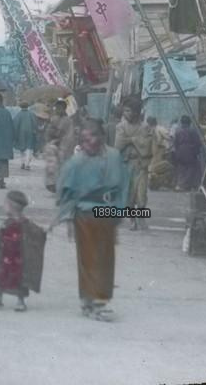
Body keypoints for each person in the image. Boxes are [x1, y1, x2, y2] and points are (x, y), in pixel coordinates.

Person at [51, 117, 128, 321]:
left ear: (102, 137)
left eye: (92, 137)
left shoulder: (114, 156)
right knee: (89, 258)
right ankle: (90, 300)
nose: (88, 143)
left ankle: (99, 300)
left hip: (108, 211)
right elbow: (65, 192)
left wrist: (120, 212)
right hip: (85, 212)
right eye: (84, 140)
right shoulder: (76, 162)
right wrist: (67, 217)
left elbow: (122, 187)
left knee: (106, 258)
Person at [0, 190, 46, 312]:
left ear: (11, 206)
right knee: (13, 277)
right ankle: (16, 301)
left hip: (11, 257)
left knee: (5, 275)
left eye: (5, 204)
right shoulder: (23, 222)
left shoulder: (13, 222)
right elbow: (36, 232)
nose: (3, 206)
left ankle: (3, 298)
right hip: (15, 258)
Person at [114, 103, 154, 229]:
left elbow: (147, 146)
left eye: (130, 110)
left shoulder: (145, 127)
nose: (127, 113)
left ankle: (141, 217)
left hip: (141, 165)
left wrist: (131, 140)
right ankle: (132, 220)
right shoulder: (120, 126)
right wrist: (135, 140)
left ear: (136, 112)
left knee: (141, 195)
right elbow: (118, 144)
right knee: (128, 195)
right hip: (126, 165)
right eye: (125, 110)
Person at [44, 100, 72, 193]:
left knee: (62, 166)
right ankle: (52, 184)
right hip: (54, 146)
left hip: (64, 147)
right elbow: (49, 132)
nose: (57, 110)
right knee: (52, 166)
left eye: (59, 108)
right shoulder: (54, 119)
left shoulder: (68, 120)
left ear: (64, 108)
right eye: (56, 108)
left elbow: (67, 134)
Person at [171, 115, 205, 193]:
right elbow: (198, 143)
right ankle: (188, 185)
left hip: (180, 153)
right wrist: (196, 152)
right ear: (189, 123)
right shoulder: (192, 131)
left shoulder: (178, 131)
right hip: (190, 153)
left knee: (181, 169)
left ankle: (180, 185)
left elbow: (175, 143)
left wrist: (178, 152)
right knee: (192, 168)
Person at [12, 101, 39, 172]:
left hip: (21, 134)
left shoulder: (18, 115)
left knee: (22, 149)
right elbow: (35, 124)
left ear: (21, 107)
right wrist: (36, 131)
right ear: (27, 106)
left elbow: (15, 125)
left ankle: (22, 163)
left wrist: (15, 134)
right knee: (29, 149)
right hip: (30, 133)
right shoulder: (32, 114)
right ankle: (27, 164)